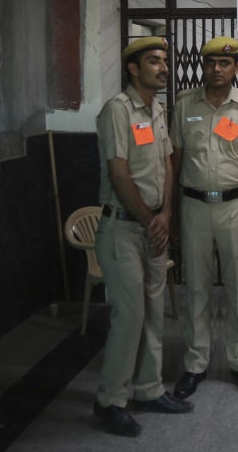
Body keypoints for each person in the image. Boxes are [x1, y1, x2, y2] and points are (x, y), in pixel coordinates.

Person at [91, 37, 192, 437]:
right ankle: (110, 400)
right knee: (129, 317)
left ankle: (149, 389)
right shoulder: (117, 110)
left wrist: (166, 214)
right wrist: (151, 219)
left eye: (165, 61)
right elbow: (119, 172)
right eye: (154, 61)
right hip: (122, 230)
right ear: (133, 68)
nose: (163, 67)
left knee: (153, 313)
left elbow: (167, 165)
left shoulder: (158, 111)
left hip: (153, 226)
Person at [170, 36, 238, 399]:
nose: (217, 69)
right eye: (211, 62)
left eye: (225, 63)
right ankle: (195, 363)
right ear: (203, 65)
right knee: (195, 288)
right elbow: (175, 162)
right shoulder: (184, 104)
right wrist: (169, 214)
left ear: (236, 68)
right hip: (194, 207)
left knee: (237, 288)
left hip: (235, 208)